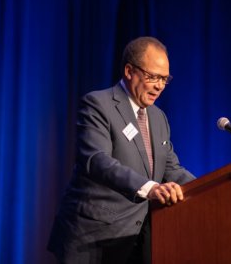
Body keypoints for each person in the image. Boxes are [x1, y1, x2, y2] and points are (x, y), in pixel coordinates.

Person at [47, 36, 195, 264]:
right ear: (129, 71)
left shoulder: (158, 118)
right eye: (153, 76)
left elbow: (170, 167)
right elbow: (97, 160)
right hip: (91, 238)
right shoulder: (98, 104)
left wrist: (209, 189)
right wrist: (150, 188)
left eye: (164, 79)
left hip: (135, 240)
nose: (159, 86)